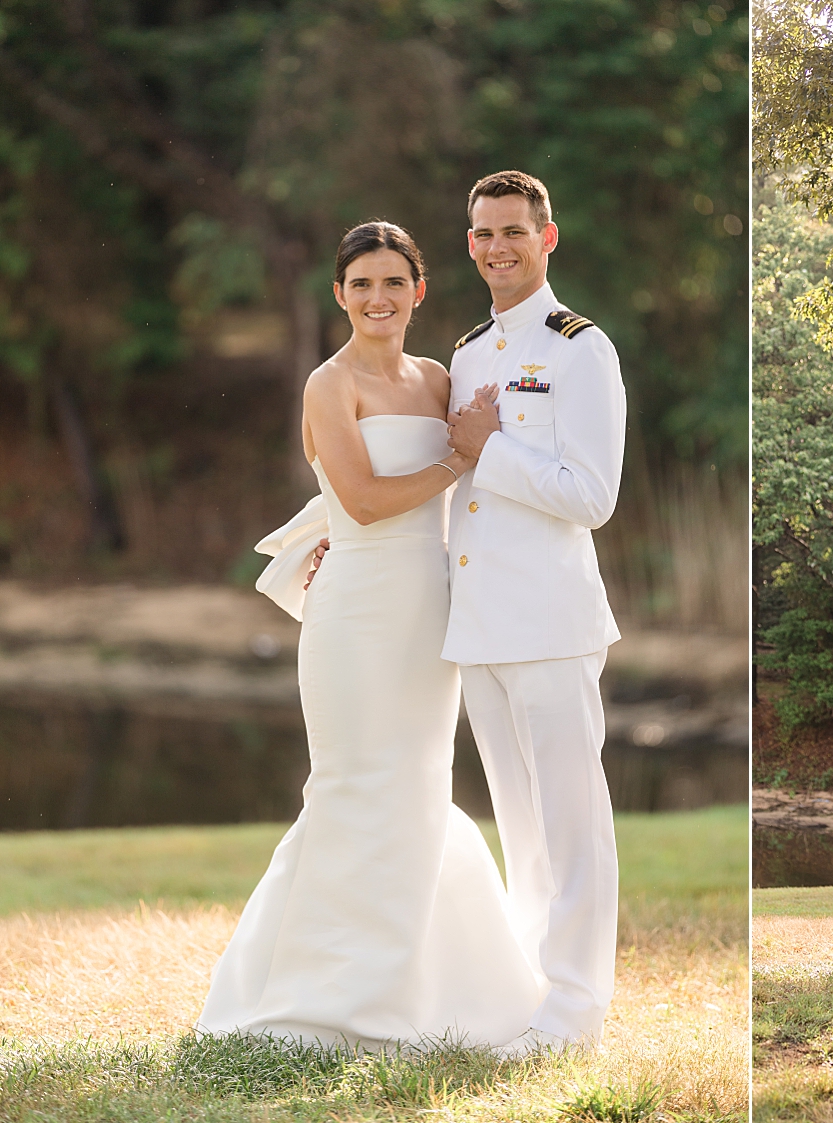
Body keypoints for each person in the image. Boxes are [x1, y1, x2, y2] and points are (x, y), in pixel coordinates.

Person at [198, 222, 542, 1048]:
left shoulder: (437, 378)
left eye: (394, 282)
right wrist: (459, 462)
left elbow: (479, 475)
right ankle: (321, 995)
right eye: (361, 284)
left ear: (419, 292)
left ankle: (439, 991)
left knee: (422, 781)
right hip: (354, 610)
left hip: (432, 602)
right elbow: (358, 500)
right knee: (355, 781)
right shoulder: (329, 383)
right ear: (340, 296)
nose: (378, 298)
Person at [443, 170, 628, 1055]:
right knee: (519, 822)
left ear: (547, 238)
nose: (497, 247)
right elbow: (455, 491)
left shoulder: (578, 347)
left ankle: (577, 1011)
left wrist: (495, 446)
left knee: (572, 821)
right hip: (480, 621)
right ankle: (532, 991)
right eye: (483, 233)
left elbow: (592, 495)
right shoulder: (469, 350)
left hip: (551, 623)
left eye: (513, 231)